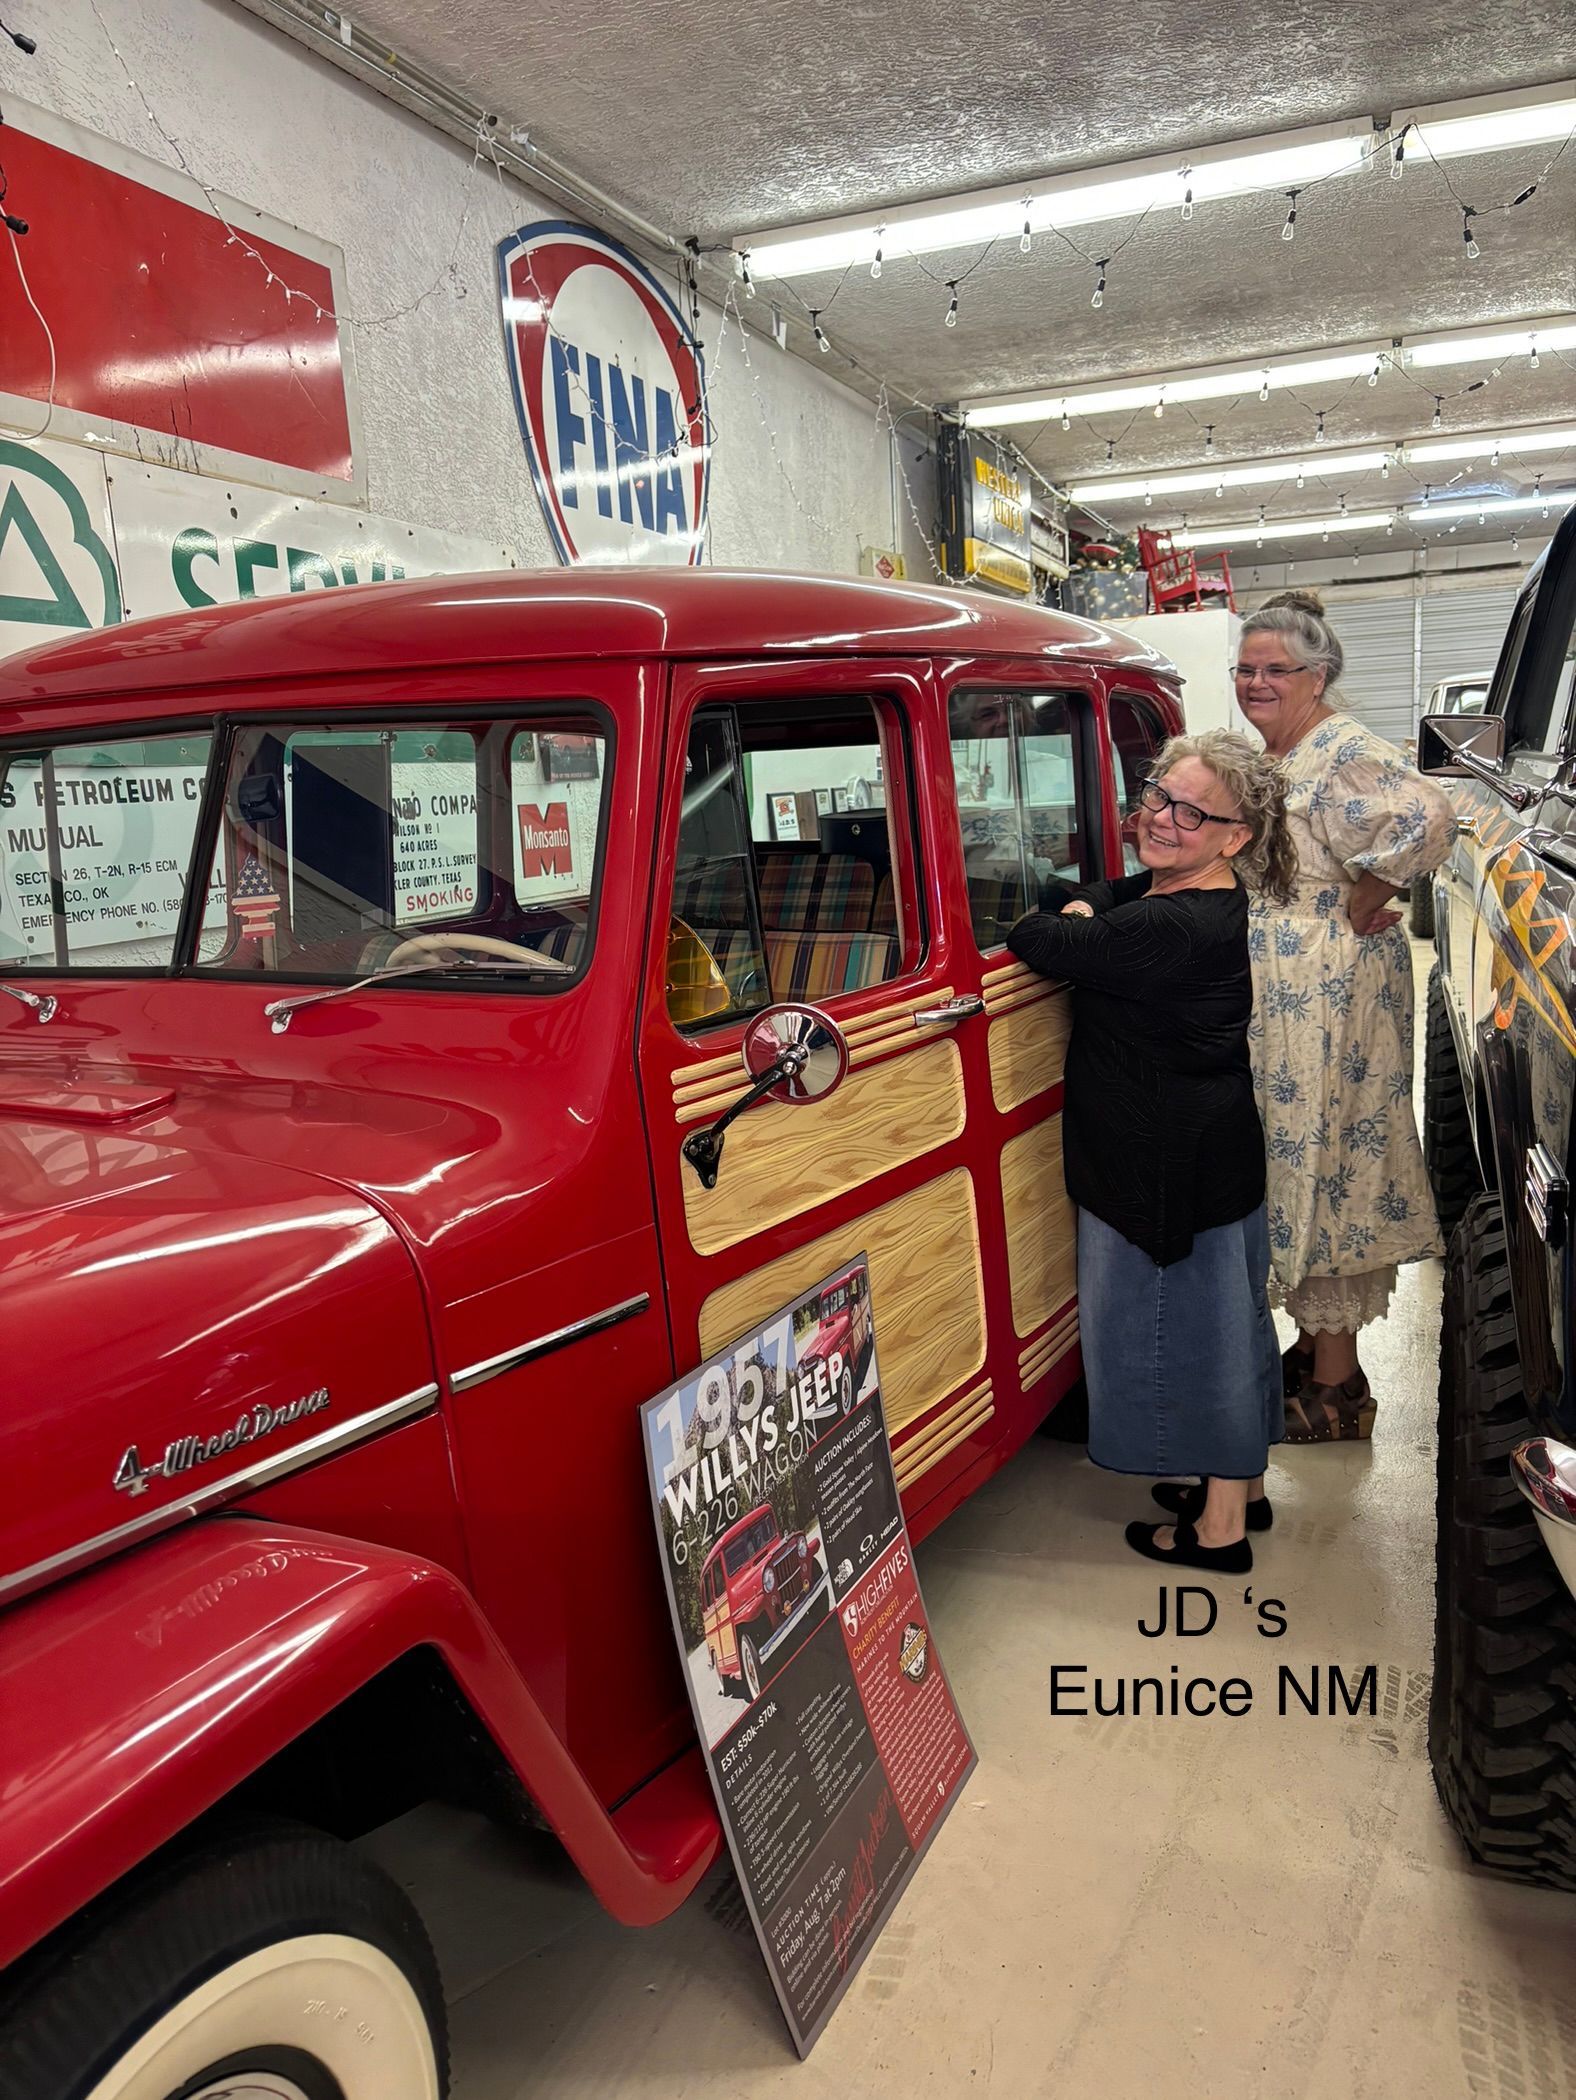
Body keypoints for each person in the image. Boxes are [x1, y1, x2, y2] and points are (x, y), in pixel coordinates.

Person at [1007, 730, 1296, 1572]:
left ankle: (1218, 1534)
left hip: (1166, 1164)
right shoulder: (1192, 895)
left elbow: (1043, 933)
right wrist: (1091, 904)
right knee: (1228, 1329)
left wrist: (1081, 916)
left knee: (1191, 1337)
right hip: (1203, 1153)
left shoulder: (1176, 924)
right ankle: (1234, 1486)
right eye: (1158, 795)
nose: (1160, 818)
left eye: (1190, 811)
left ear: (1235, 836)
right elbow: (1091, 890)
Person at [1235, 590, 1456, 1440]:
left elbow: (1432, 813)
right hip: (1291, 989)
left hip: (1328, 988)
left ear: (1317, 675)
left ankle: (1335, 1386)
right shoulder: (1285, 751)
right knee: (1302, 1153)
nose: (1258, 681)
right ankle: (1321, 1357)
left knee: (1326, 1154)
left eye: (1275, 670)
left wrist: (1377, 883)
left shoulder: (1339, 748)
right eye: (1246, 668)